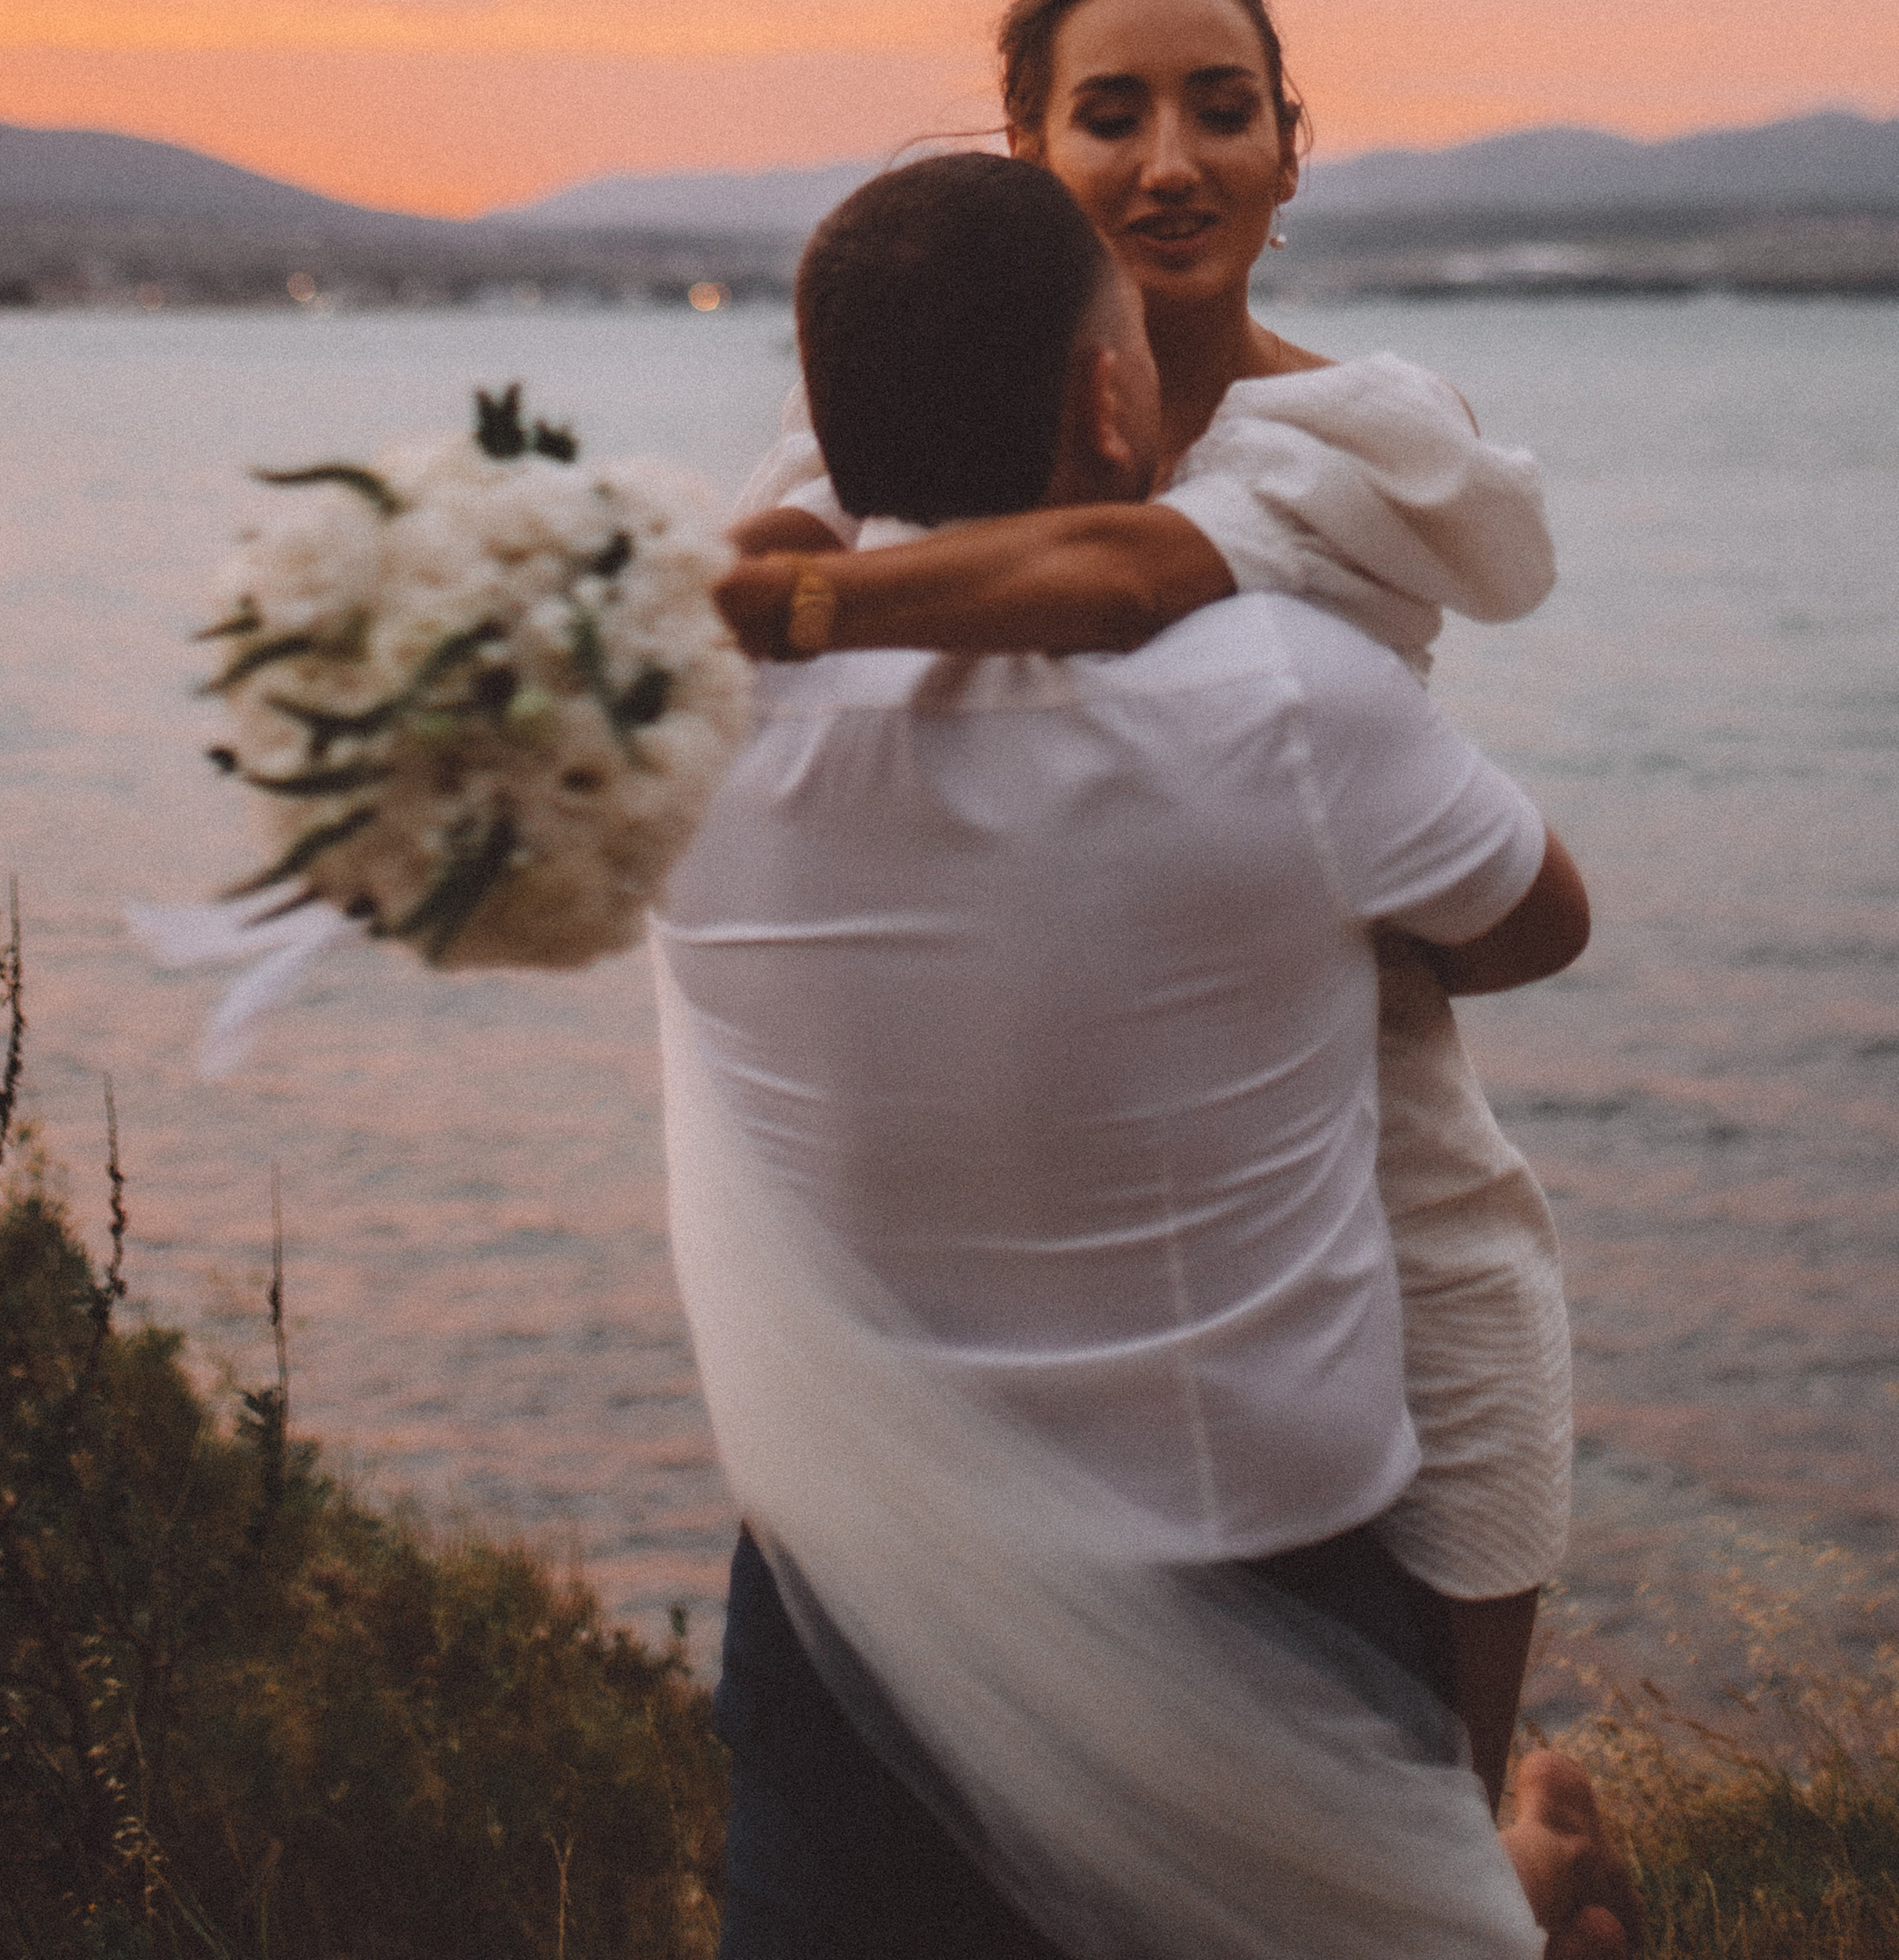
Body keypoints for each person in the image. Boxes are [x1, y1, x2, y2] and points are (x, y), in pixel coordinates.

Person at [656, 155, 1642, 1958]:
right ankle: (1523, 1883)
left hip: (845, 1602)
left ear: (821, 417)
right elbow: (1530, 927)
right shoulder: (1277, 691)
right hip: (1248, 1588)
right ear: (1112, 398)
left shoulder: (678, 750)